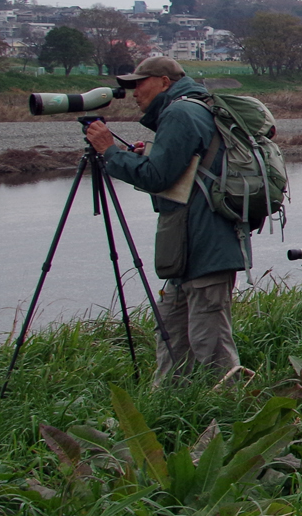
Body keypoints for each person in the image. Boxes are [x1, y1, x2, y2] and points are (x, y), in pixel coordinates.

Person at [84, 55, 249, 384]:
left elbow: (158, 177)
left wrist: (109, 151)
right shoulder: (194, 107)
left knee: (210, 343)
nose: (133, 92)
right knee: (173, 337)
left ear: (164, 82)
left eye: (138, 83)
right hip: (189, 248)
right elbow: (179, 173)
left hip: (204, 247)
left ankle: (232, 413)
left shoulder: (180, 113)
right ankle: (170, 413)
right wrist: (144, 156)